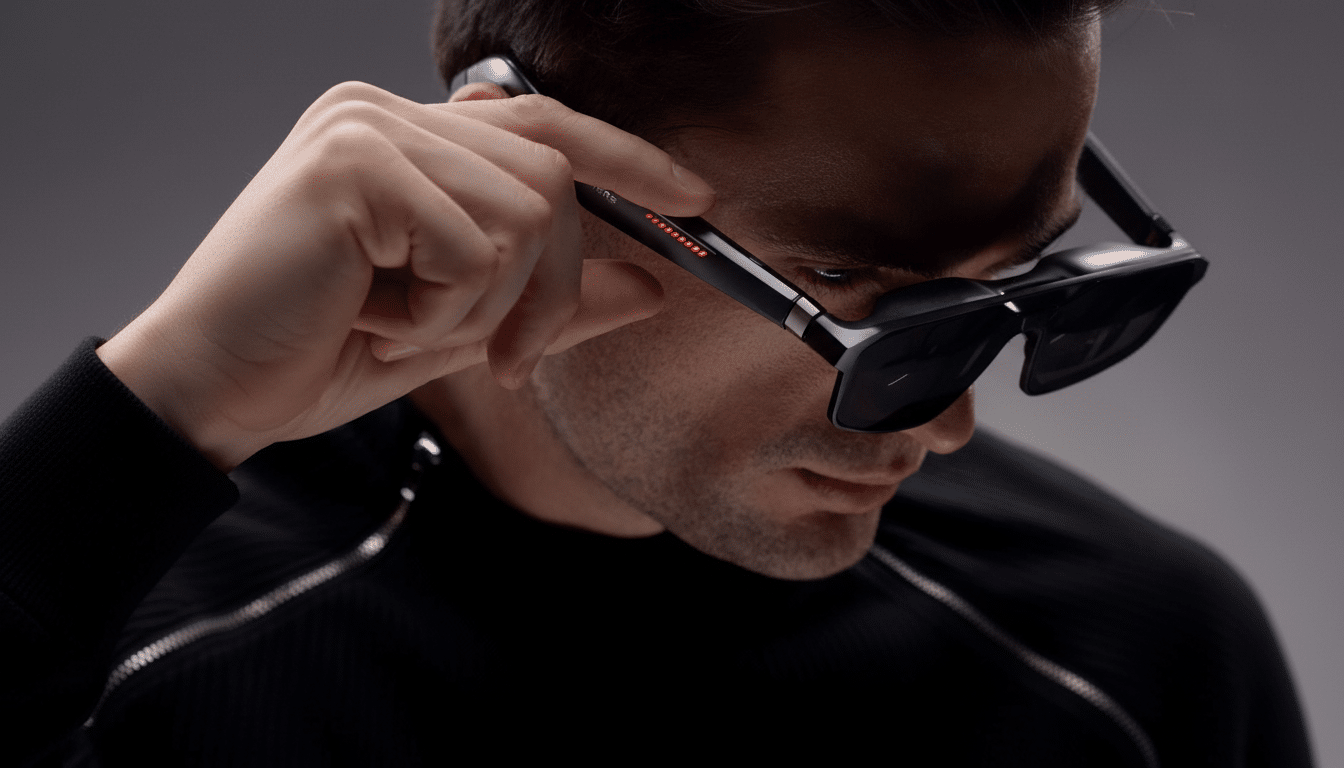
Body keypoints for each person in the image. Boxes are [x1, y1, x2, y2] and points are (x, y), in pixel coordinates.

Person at [0, 0, 1314, 765]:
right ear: (536, 155)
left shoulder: (1141, 655)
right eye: (859, 293)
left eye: (1025, 285)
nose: (952, 420)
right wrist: (154, 411)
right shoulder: (120, 652)